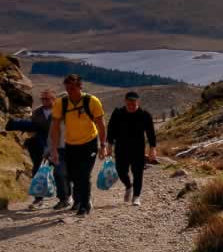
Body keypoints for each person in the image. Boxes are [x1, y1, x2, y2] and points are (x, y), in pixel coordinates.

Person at [49, 74, 107, 216]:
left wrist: (103, 145)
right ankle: (82, 200)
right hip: (71, 145)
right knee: (74, 176)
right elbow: (55, 128)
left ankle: (84, 206)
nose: (70, 92)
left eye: (73, 88)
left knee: (84, 175)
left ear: (80, 87)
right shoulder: (60, 103)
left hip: (89, 143)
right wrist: (54, 149)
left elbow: (100, 123)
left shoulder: (92, 101)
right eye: (67, 89)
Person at [5, 90, 66, 209]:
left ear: (54, 99)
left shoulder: (60, 111)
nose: (44, 101)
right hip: (40, 145)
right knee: (38, 171)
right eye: (42, 99)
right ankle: (38, 199)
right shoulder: (37, 112)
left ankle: (64, 198)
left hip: (59, 145)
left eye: (47, 99)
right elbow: (33, 127)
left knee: (60, 172)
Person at [106, 91, 157, 206]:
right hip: (121, 149)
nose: (131, 107)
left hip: (138, 149)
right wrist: (109, 145)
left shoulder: (144, 115)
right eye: (129, 104)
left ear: (138, 102)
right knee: (121, 172)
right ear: (125, 102)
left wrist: (152, 149)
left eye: (133, 105)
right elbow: (111, 130)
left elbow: (151, 133)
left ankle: (136, 196)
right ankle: (128, 186)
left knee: (138, 173)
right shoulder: (118, 113)